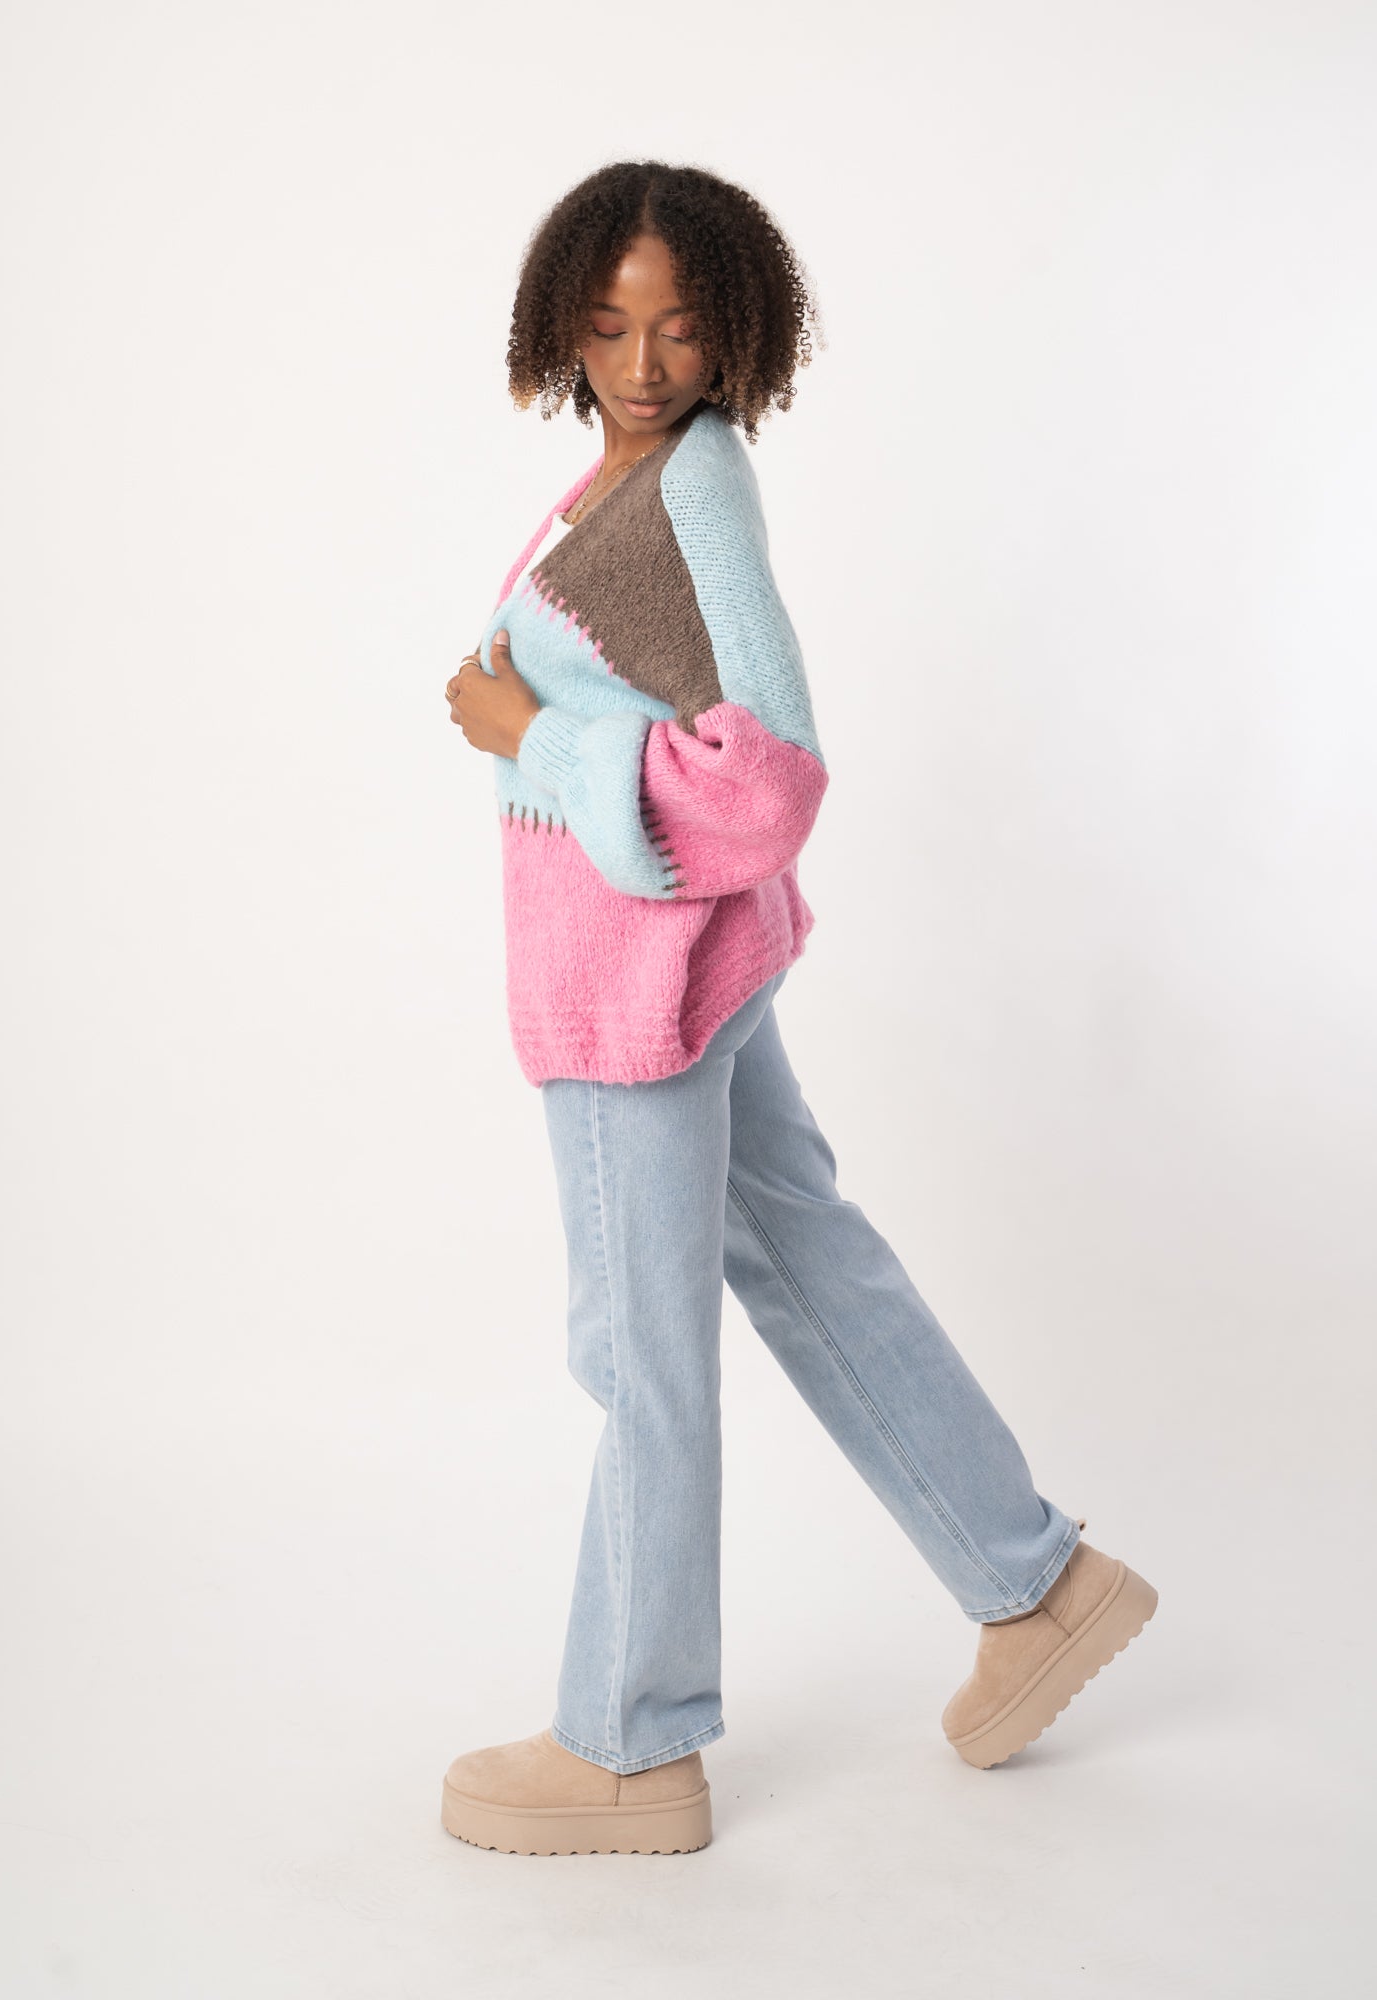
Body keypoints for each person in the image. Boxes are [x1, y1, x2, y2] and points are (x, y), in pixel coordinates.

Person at [440, 161, 1157, 1856]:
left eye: (680, 328)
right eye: (607, 324)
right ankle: (1033, 1585)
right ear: (558, 326)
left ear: (737, 332)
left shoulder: (688, 493)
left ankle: (630, 1743)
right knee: (805, 1258)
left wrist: (528, 732)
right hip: (688, 970)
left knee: (638, 1355)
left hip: (635, 991)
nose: (642, 362)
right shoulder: (637, 475)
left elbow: (766, 777)